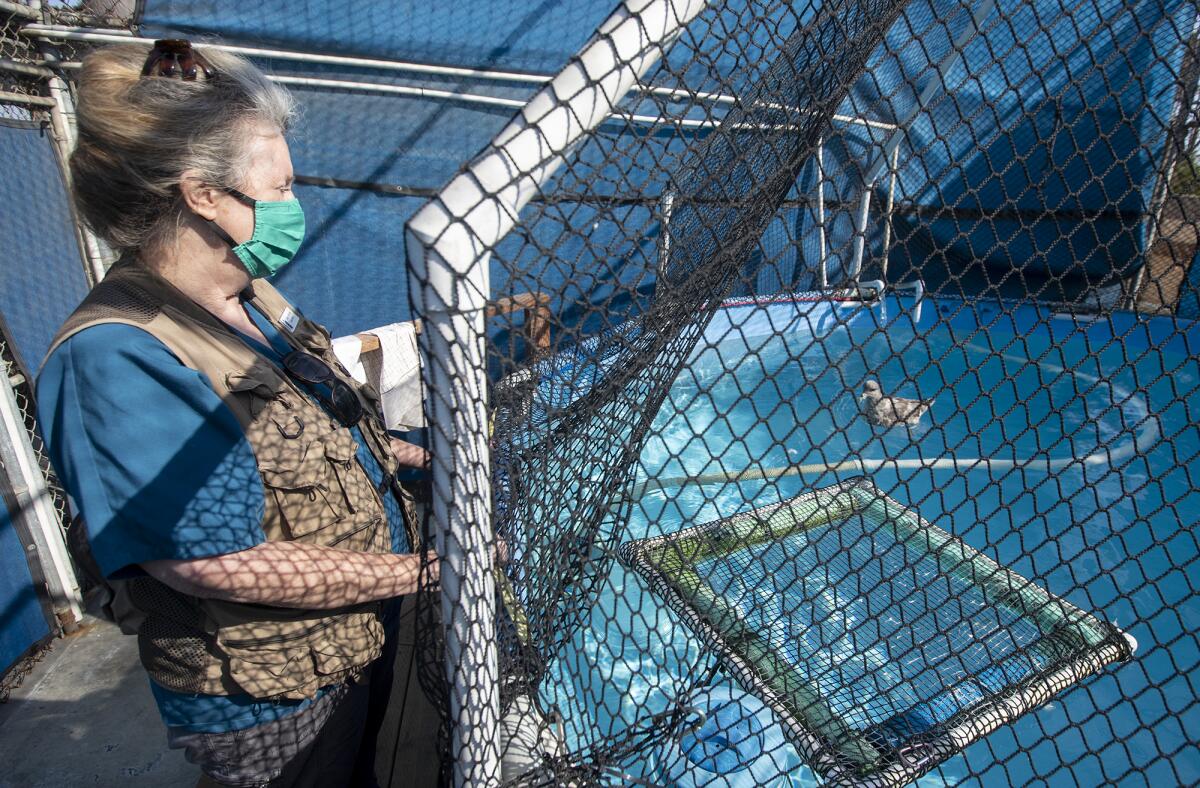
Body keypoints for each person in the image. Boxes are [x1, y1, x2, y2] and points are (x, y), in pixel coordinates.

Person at [36, 39, 437, 787]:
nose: (294, 205)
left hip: (354, 634)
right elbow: (211, 561)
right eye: (278, 187)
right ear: (204, 196)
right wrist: (424, 572)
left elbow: (326, 433)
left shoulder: (250, 295)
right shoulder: (119, 357)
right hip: (272, 696)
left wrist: (422, 457)